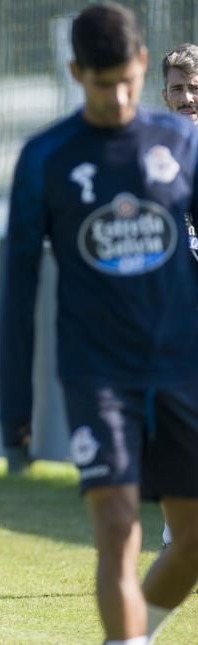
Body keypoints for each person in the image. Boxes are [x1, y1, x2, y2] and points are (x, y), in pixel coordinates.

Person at [0, 3, 198, 643]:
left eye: (127, 81)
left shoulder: (181, 143)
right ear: (75, 71)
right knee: (117, 526)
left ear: (142, 64)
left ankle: (132, 635)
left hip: (179, 371)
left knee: (193, 543)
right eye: (100, 81)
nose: (117, 97)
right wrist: (15, 406)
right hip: (98, 375)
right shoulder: (44, 158)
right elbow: (18, 287)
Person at [159, 42, 198, 550]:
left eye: (194, 87)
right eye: (178, 89)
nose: (187, 96)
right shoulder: (155, 157)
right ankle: (177, 539)